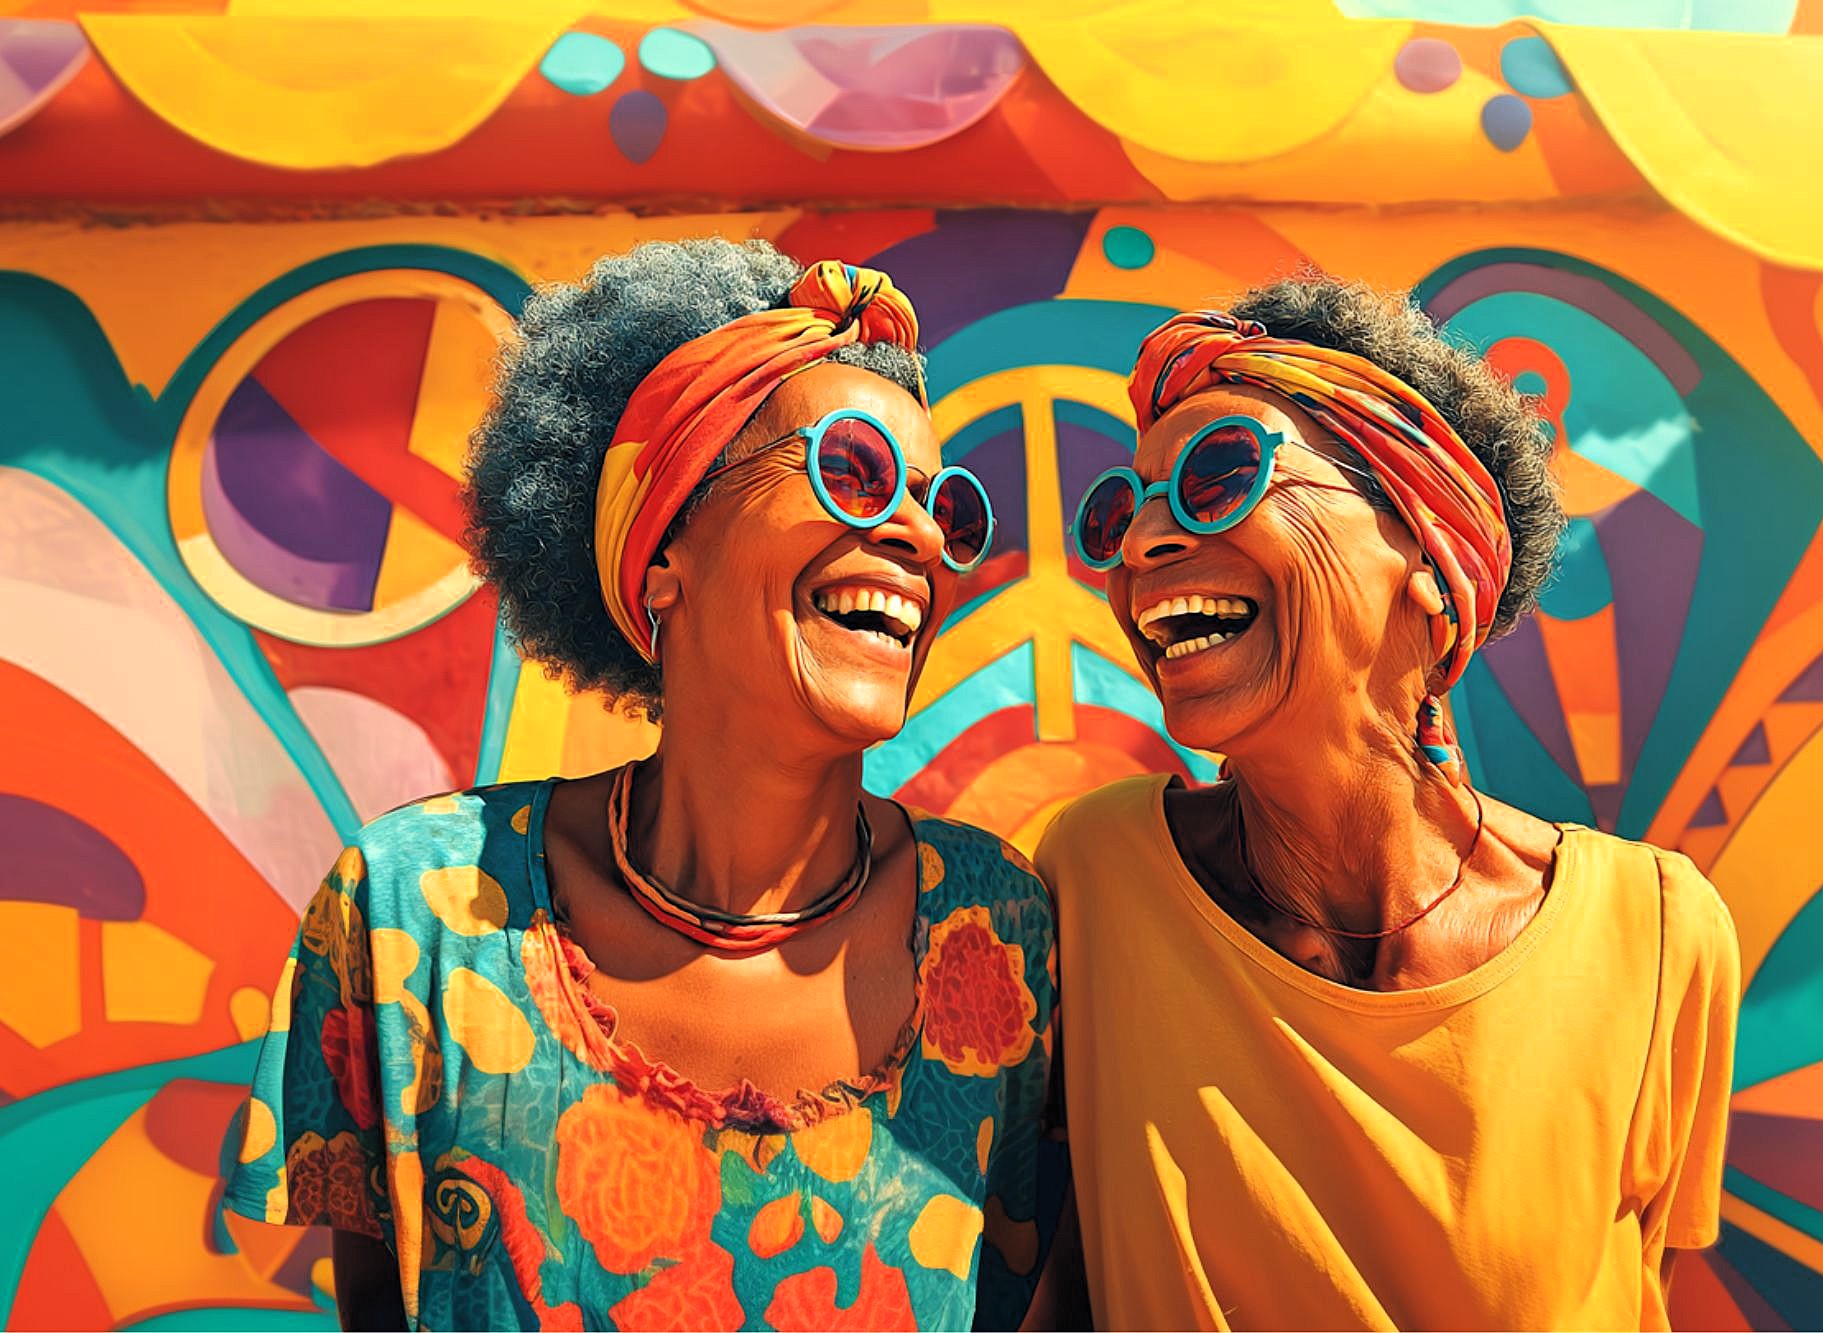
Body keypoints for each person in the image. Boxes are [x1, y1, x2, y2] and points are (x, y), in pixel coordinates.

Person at [224, 239, 1059, 1332]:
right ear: (664, 550)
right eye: (849, 469)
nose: (915, 535)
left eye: (940, 505)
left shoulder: (998, 935)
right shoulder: (414, 917)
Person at [1035, 277, 1740, 1330]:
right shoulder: (1094, 879)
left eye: (1217, 475)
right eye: (1125, 506)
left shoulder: (1654, 937)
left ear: (1424, 554)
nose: (1140, 544)